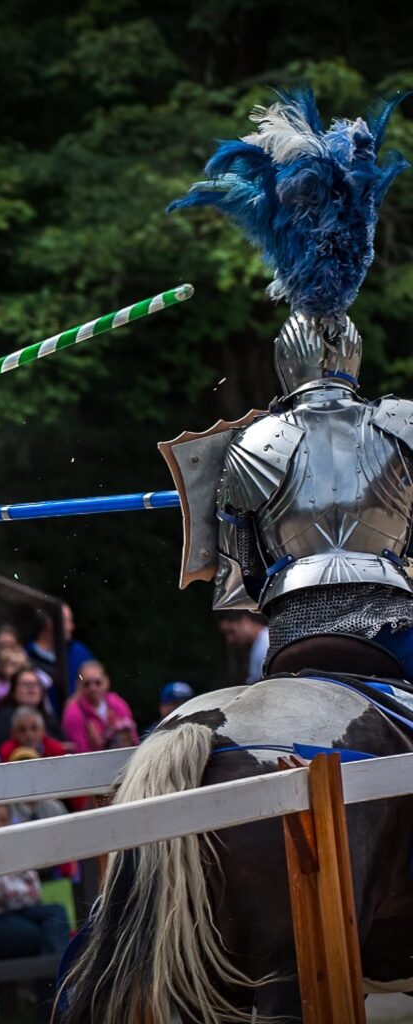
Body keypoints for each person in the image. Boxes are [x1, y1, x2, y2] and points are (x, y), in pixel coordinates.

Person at [165, 91, 413, 679]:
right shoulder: (401, 425)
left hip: (290, 634)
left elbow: (240, 577)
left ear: (285, 362)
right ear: (352, 354)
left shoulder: (256, 443)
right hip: (395, 628)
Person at [0, 803, 70, 966]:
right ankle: (55, 983)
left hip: (15, 911)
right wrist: (19, 888)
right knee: (39, 935)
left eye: (3, 820)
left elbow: (35, 889)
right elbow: (2, 893)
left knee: (57, 913)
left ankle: (55, 981)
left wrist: (14, 888)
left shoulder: (15, 845)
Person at [61, 660, 139, 754]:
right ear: (79, 685)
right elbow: (80, 754)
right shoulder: (73, 713)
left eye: (98, 682)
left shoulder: (117, 703)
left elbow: (133, 740)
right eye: (87, 684)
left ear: (106, 682)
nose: (93, 688)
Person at [26, 603, 94, 702]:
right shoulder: (26, 655)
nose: (72, 627)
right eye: (67, 621)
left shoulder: (80, 653)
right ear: (49, 622)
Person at [0, 667, 63, 749]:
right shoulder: (1, 719)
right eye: (25, 684)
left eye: (36, 684)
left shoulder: (49, 718)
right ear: (14, 691)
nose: (31, 688)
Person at [0, 707, 67, 762]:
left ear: (43, 730)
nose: (29, 735)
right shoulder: (7, 753)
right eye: (22, 730)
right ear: (13, 733)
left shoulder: (56, 751)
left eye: (34, 728)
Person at [218, 612, 270, 684]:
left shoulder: (265, 644)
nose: (229, 639)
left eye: (231, 632)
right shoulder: (258, 644)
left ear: (244, 622)